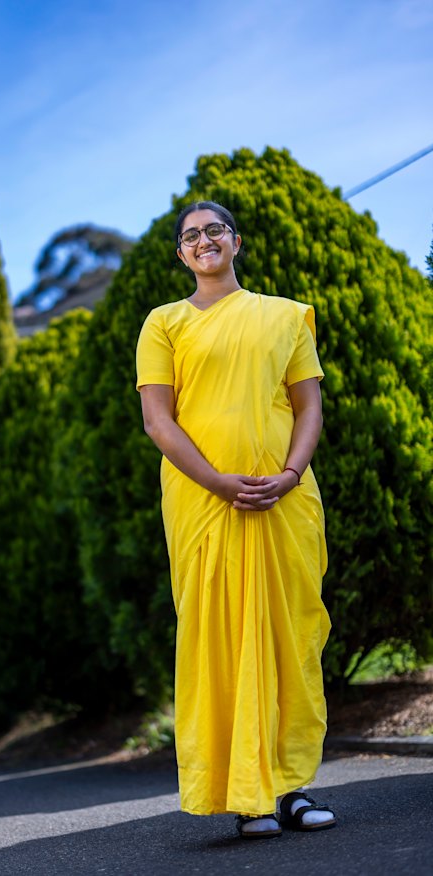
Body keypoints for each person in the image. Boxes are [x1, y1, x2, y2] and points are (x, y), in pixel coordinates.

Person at [135, 201, 336, 839]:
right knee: (218, 640)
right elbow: (159, 420)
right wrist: (219, 482)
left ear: (235, 241)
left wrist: (290, 475)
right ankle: (247, 797)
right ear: (181, 254)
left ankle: (292, 788)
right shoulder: (163, 324)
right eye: (190, 236)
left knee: (287, 638)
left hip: (284, 499)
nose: (203, 241)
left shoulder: (285, 316)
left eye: (213, 230)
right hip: (203, 504)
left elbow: (308, 407)